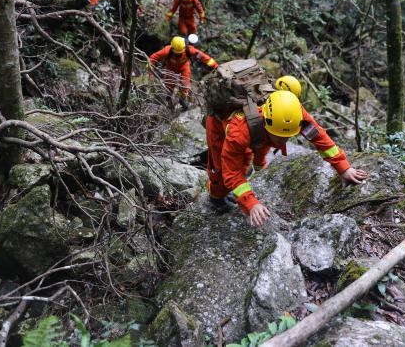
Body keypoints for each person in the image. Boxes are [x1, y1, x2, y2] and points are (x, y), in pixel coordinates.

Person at [205, 90, 369, 227]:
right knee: (222, 170)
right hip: (220, 127)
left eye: (288, 137)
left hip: (257, 134)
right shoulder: (239, 133)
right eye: (279, 137)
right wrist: (250, 203)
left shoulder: (295, 116)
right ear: (266, 124)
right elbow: (231, 172)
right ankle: (216, 196)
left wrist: (344, 168)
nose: (284, 141)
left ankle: (249, 173)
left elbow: (321, 140)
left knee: (248, 159)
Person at [148, 36, 218, 110]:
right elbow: (152, 58)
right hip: (170, 69)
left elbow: (203, 57)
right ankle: (168, 99)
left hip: (184, 68)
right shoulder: (166, 51)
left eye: (180, 53)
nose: (178, 55)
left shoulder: (189, 50)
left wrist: (215, 65)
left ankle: (183, 99)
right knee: (169, 86)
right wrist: (150, 73)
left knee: (185, 85)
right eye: (176, 53)